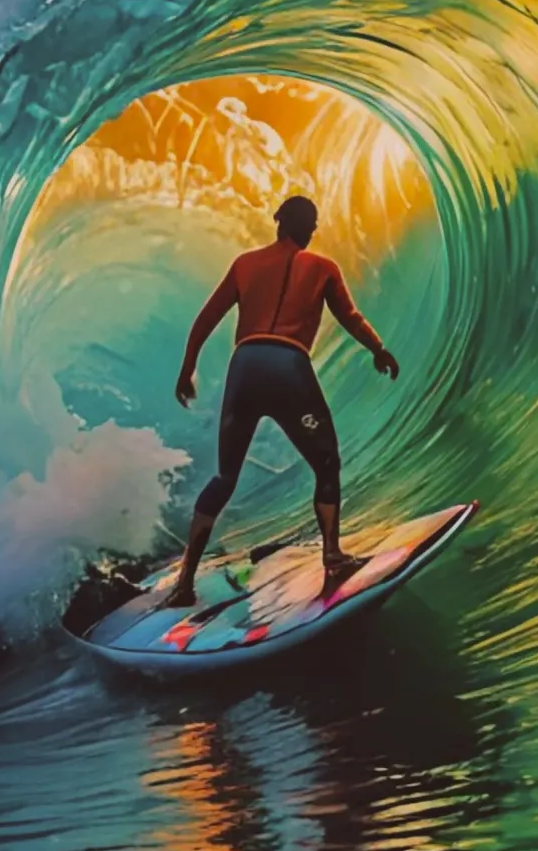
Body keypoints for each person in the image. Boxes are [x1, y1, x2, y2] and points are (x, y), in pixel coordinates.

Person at [168, 194, 399, 607]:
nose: (313, 233)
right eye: (312, 226)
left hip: (246, 368)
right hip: (288, 368)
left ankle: (184, 583)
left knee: (225, 478)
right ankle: (332, 555)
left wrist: (187, 369)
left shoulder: (244, 265)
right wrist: (378, 349)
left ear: (278, 223)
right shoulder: (324, 268)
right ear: (306, 228)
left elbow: (206, 317)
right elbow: (350, 316)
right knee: (326, 461)